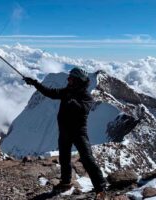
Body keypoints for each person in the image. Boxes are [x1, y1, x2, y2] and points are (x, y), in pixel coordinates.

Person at [23, 67, 107, 200]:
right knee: (64, 158)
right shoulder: (68, 91)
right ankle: (66, 182)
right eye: (69, 78)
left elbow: (83, 109)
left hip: (79, 132)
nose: (68, 80)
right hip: (65, 131)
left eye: (71, 79)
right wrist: (34, 83)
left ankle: (101, 189)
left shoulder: (86, 96)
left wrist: (71, 100)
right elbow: (50, 92)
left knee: (87, 159)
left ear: (78, 81)